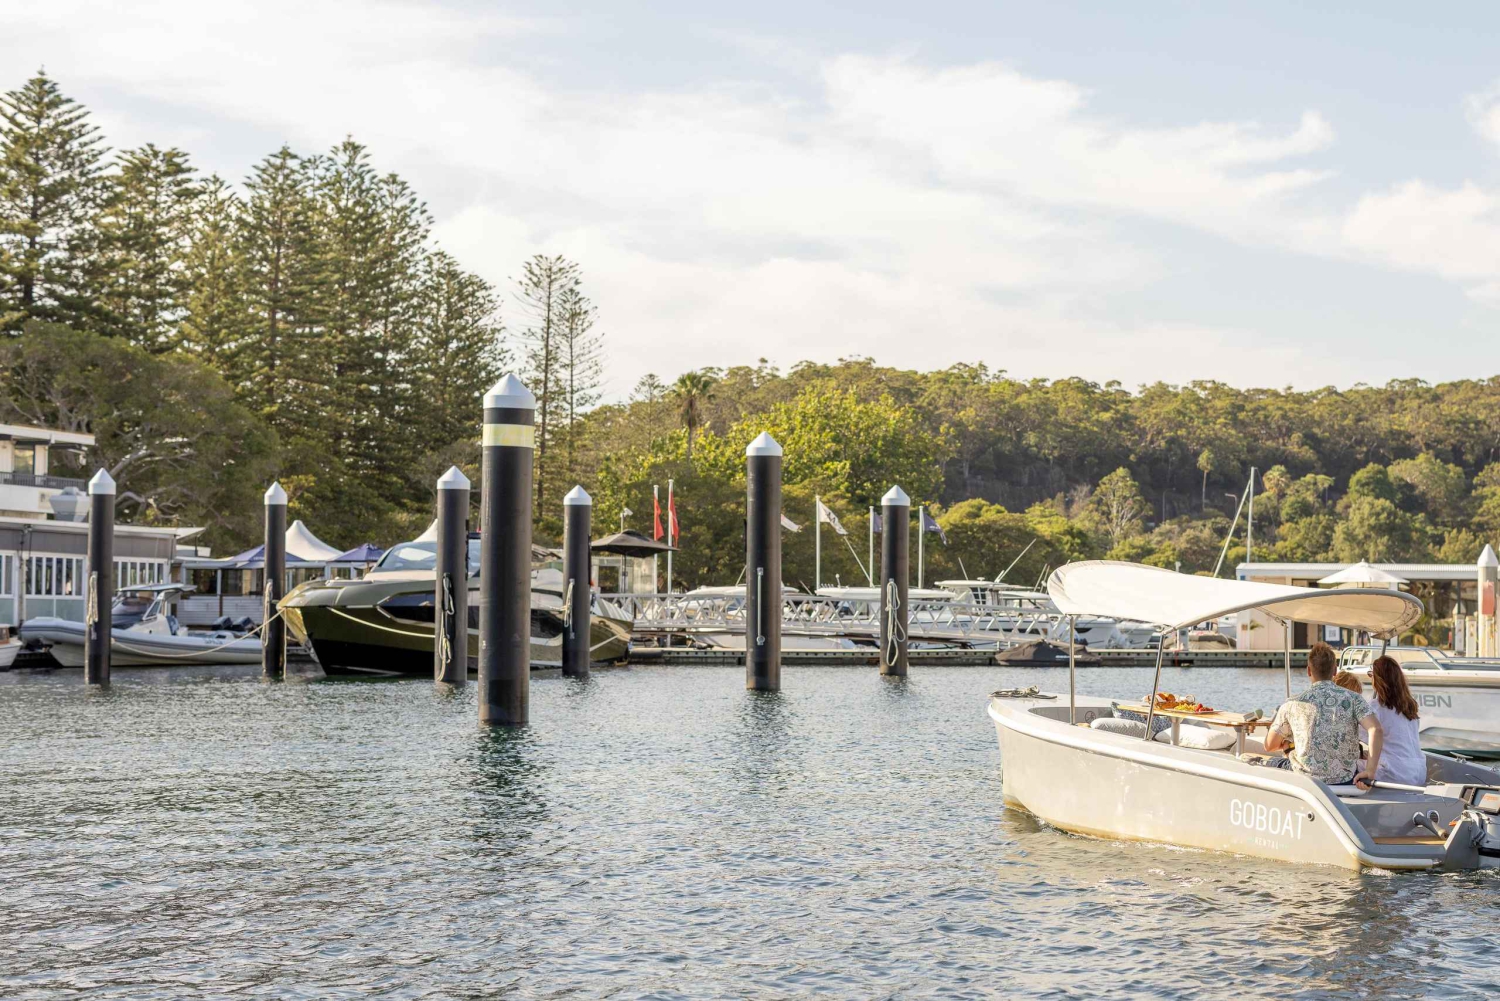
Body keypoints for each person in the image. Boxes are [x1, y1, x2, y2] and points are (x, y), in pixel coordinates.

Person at [1253, 642, 1383, 788]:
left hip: (1305, 781)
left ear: (1309, 671)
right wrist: (1370, 771)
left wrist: (1288, 743)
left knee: (1257, 762)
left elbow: (1269, 745)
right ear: (1335, 671)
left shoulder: (1291, 704)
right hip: (1344, 780)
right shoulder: (1354, 699)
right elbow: (1375, 729)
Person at [1367, 655, 1426, 786]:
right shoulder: (1410, 707)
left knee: (1346, 766)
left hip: (1394, 772)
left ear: (1378, 679)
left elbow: (1357, 737)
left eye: (1371, 675)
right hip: (1419, 771)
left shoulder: (1376, 707)